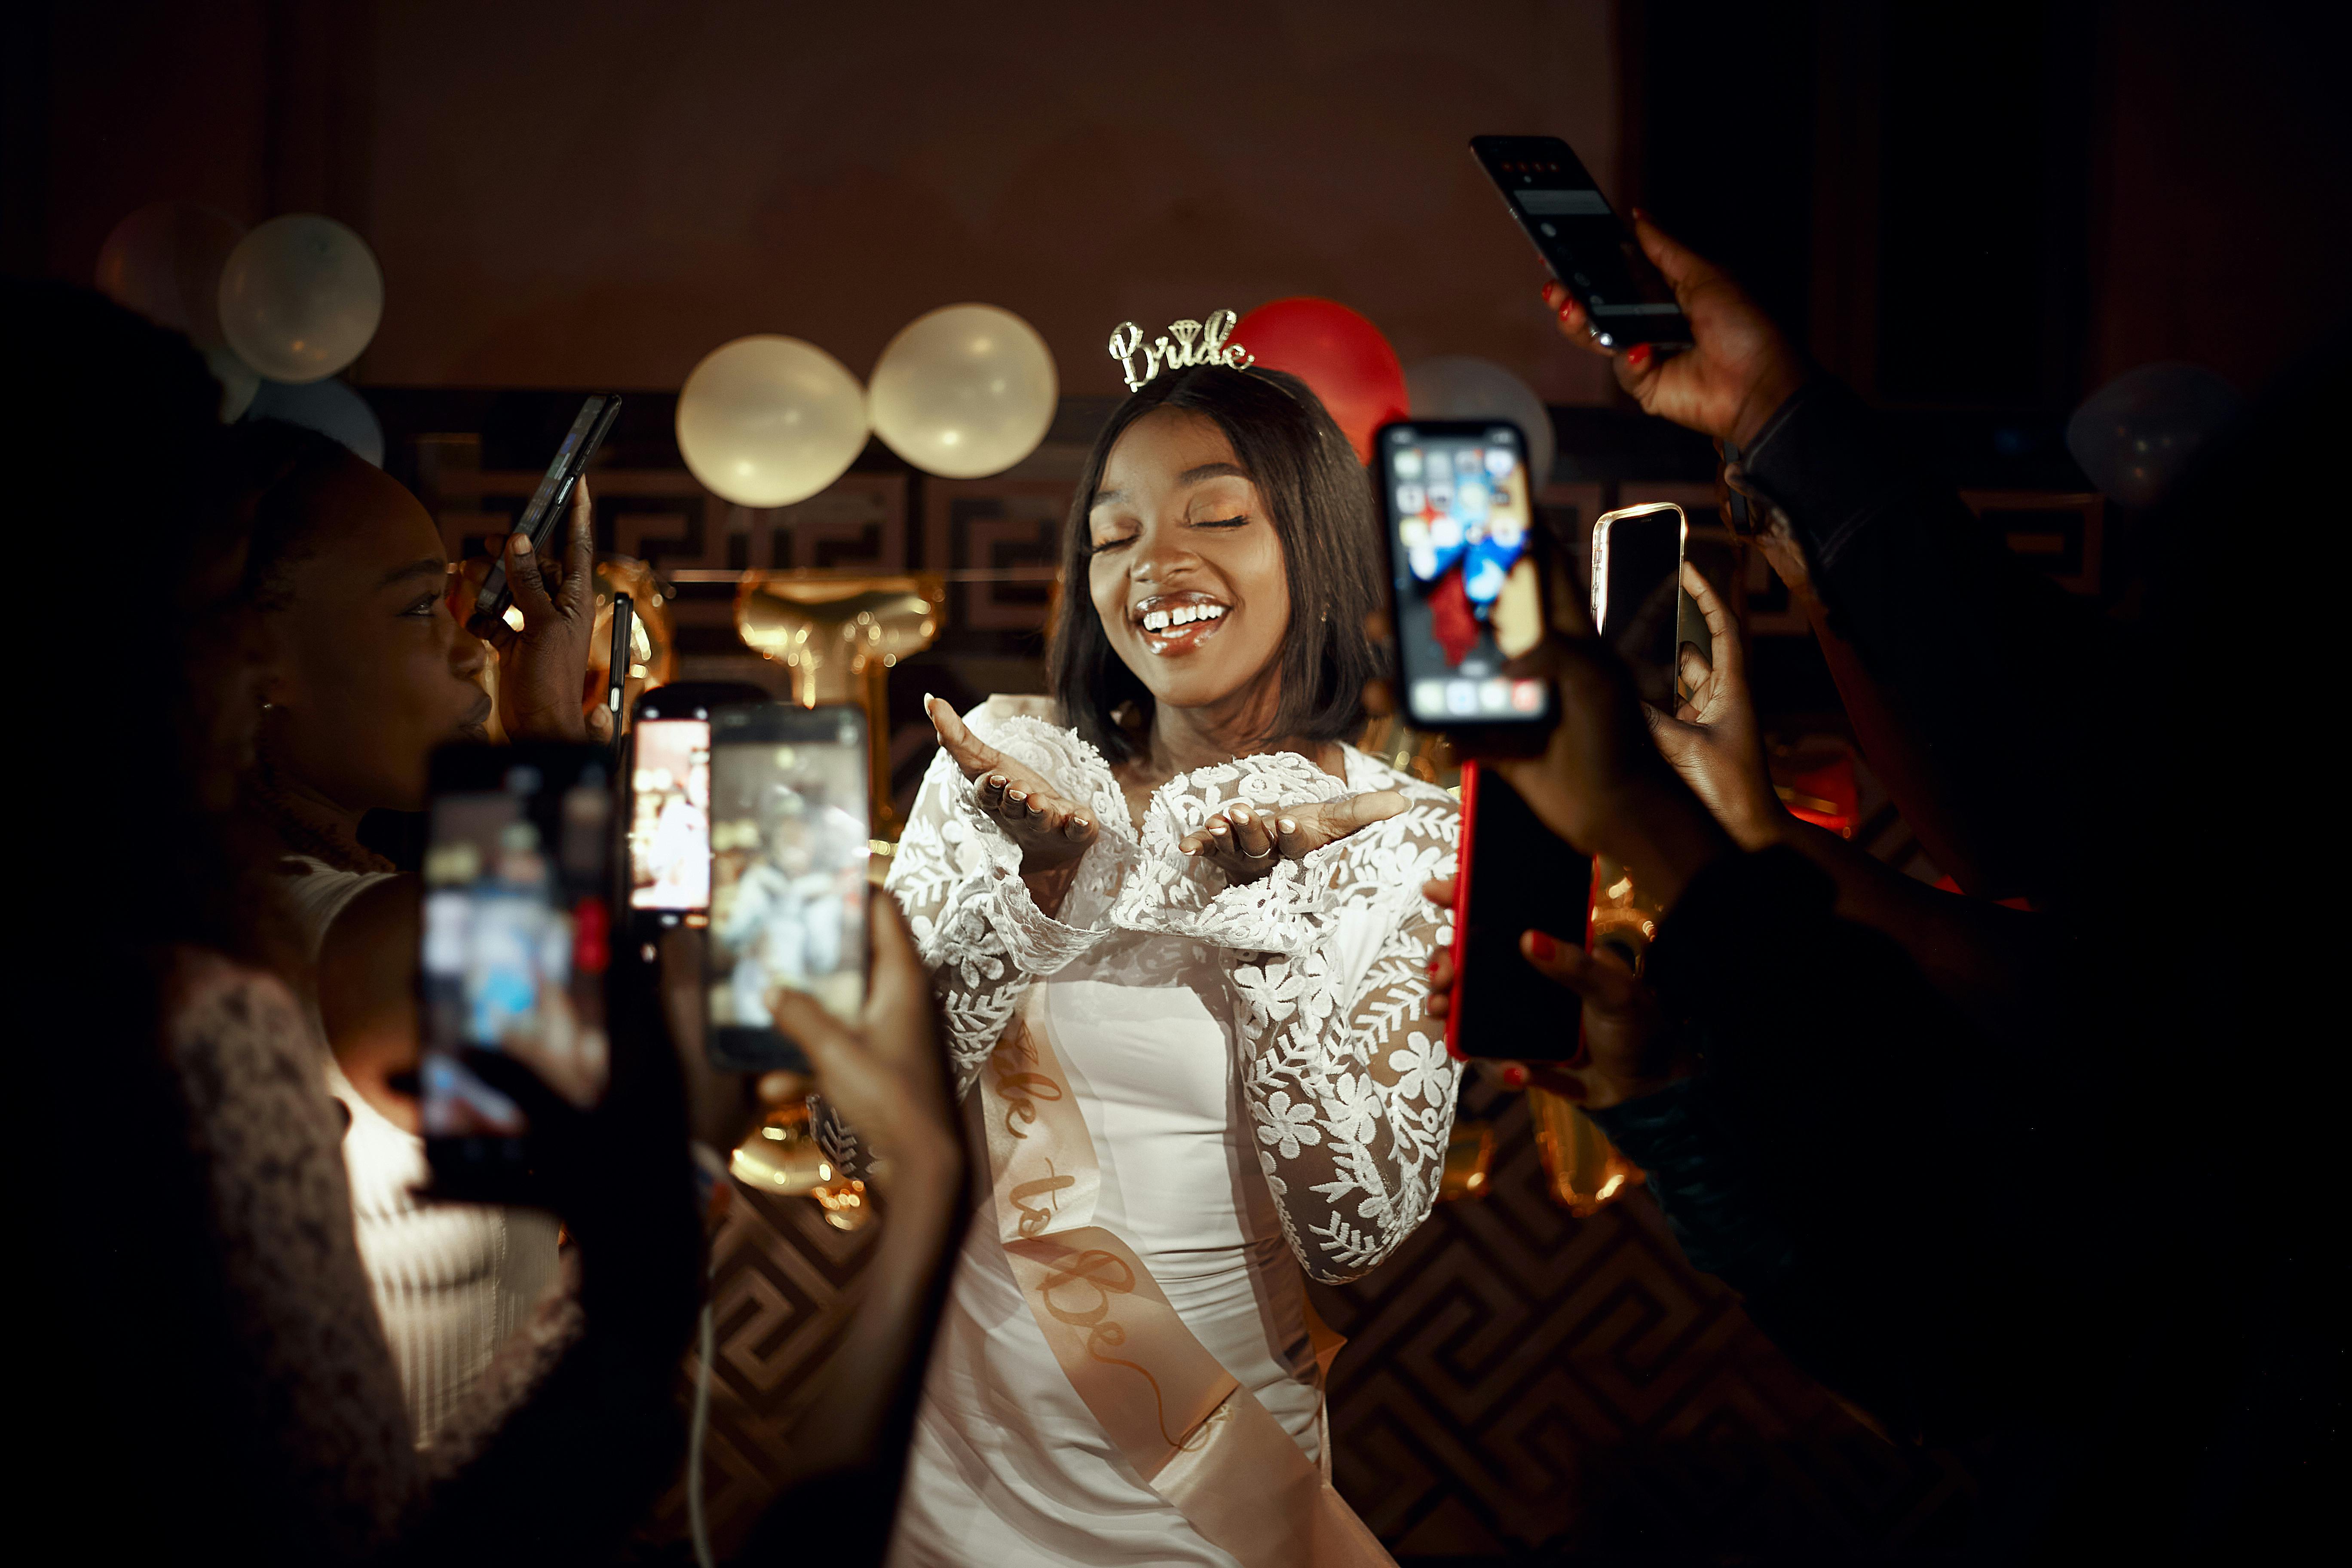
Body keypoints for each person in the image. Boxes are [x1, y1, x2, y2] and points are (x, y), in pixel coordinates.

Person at [882, 352, 1459, 1566]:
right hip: (957, 1468)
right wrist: (1036, 898)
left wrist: (1265, 930)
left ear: (1312, 542)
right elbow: (860, 1135)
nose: (1156, 564)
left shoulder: (1406, 835)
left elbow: (1355, 1234)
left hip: (1213, 1480)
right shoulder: (1004, 767)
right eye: (1116, 534)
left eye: (1217, 516)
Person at [220, 416, 604, 1445]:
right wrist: (550, 738)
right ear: (262, 662)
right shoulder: (362, 942)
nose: (472, 650)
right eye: (416, 609)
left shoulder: (258, 890)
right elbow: (632, 1143)